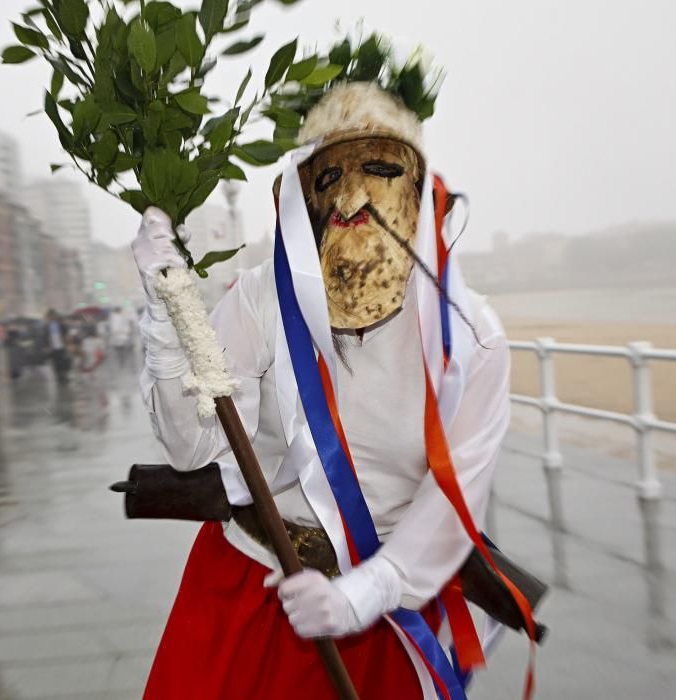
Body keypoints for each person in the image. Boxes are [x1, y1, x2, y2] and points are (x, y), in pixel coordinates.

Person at [130, 39, 536, 700]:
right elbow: (191, 444)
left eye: (377, 168)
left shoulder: (470, 340)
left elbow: (451, 505)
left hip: (384, 611)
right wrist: (171, 303)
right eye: (330, 177)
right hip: (250, 584)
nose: (352, 200)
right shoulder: (264, 298)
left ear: (416, 181)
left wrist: (359, 597)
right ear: (303, 194)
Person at [45, 309, 71, 386]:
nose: (50, 317)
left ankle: (64, 375)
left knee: (63, 361)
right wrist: (46, 346)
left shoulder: (61, 324)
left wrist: (68, 344)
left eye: (51, 316)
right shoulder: (47, 326)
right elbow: (45, 337)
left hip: (62, 346)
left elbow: (66, 334)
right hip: (53, 348)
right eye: (49, 316)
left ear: (54, 316)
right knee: (55, 363)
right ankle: (59, 376)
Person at [107, 306, 135, 370]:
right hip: (120, 337)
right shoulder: (117, 318)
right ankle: (121, 363)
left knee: (119, 351)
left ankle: (121, 363)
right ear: (119, 311)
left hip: (118, 338)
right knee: (121, 351)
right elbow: (116, 328)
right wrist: (126, 331)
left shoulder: (114, 317)